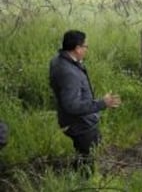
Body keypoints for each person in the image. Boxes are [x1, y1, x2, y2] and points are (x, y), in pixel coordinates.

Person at [49, 30, 121, 176]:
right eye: (85, 46)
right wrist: (102, 103)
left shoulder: (58, 60)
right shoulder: (69, 73)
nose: (87, 49)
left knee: (84, 152)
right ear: (77, 48)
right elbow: (72, 106)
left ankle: (77, 170)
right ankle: (85, 181)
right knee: (87, 158)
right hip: (80, 125)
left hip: (75, 120)